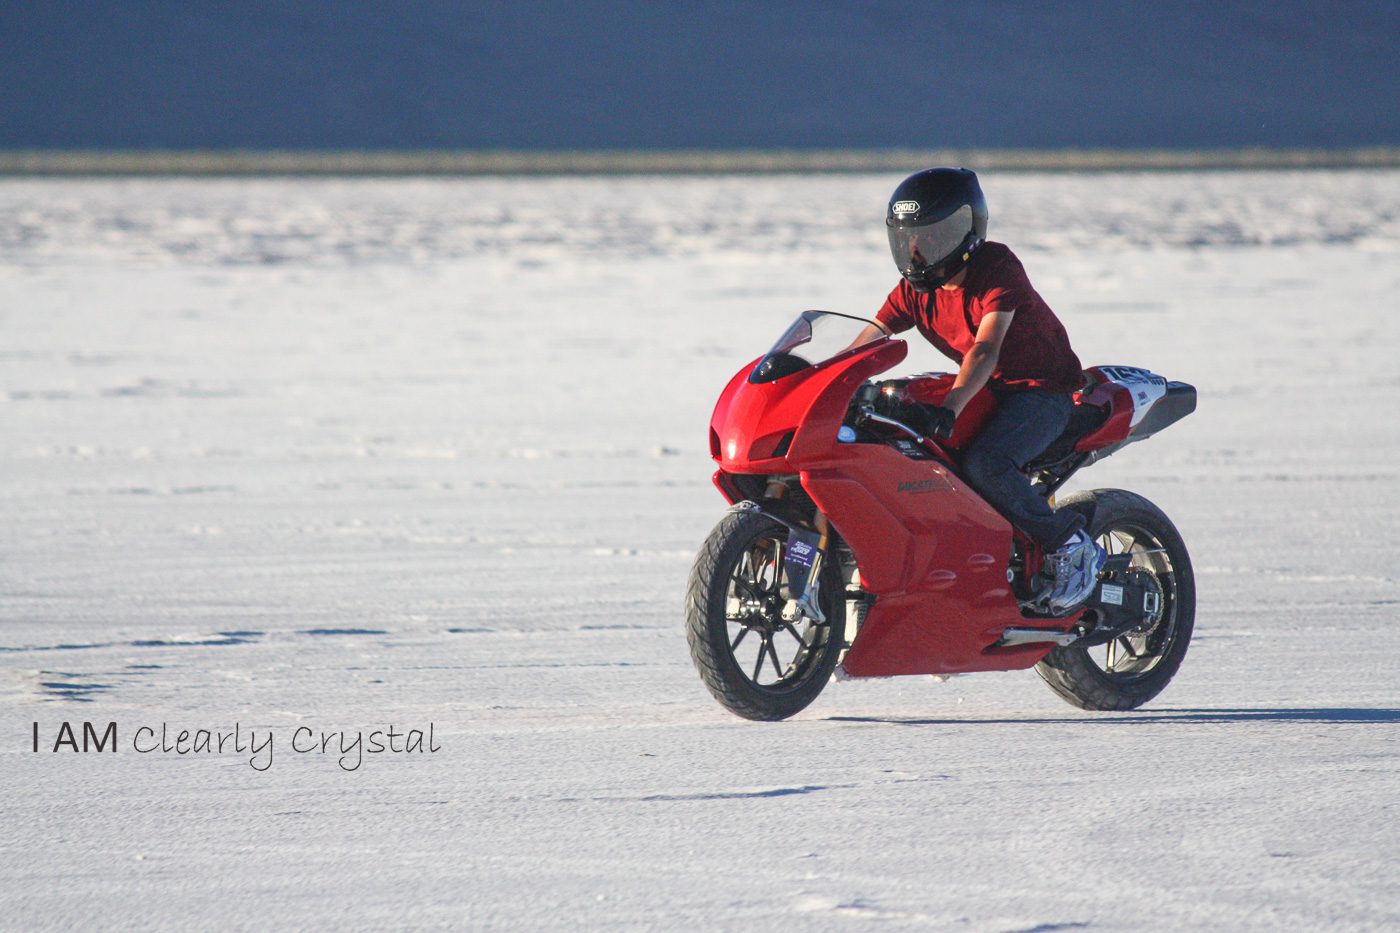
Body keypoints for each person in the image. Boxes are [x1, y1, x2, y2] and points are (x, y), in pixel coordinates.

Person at [853, 167, 1105, 612]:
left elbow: (985, 350)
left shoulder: (996, 267)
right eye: (909, 238)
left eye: (933, 236)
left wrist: (950, 407)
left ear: (969, 229)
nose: (918, 250)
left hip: (1039, 391)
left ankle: (1070, 543)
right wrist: (822, 380)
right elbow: (865, 341)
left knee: (986, 464)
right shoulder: (914, 289)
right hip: (983, 391)